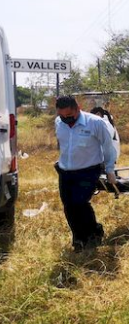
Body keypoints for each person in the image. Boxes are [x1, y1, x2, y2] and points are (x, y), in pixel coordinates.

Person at [55, 96, 117, 252]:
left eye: (69, 116)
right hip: (65, 171)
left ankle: (91, 235)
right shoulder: (59, 122)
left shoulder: (95, 123)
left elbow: (108, 147)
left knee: (80, 203)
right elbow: (65, 145)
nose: (66, 119)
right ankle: (79, 237)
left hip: (88, 170)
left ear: (78, 108)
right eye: (62, 116)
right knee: (68, 206)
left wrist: (110, 170)